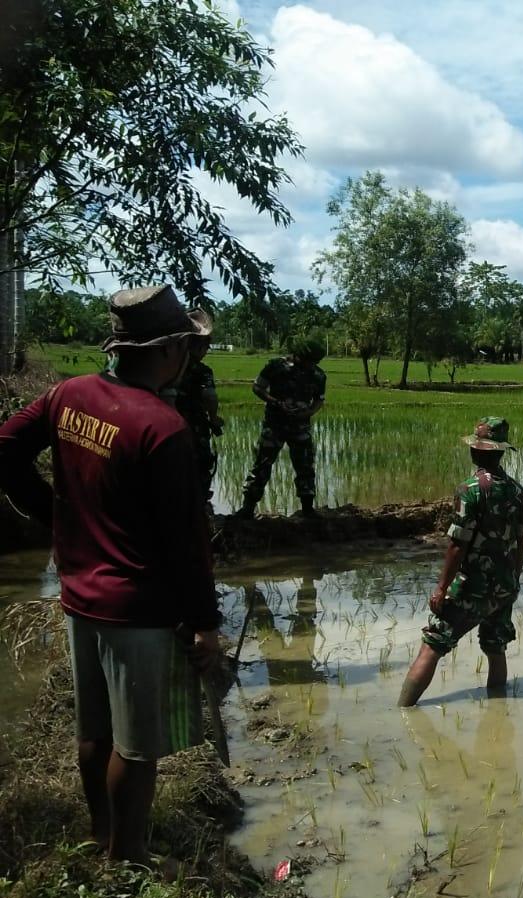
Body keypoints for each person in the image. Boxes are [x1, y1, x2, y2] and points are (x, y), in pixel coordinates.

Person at [0, 284, 222, 867]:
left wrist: (53, 514)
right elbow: (186, 542)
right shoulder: (162, 427)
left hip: (78, 595)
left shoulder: (68, 396)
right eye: (187, 347)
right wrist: (204, 624)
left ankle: (101, 834)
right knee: (138, 747)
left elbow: (5, 449)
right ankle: (128, 859)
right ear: (168, 349)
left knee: (94, 729)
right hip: (138, 610)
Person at [398, 417, 523, 707]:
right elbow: (520, 544)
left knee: (433, 644)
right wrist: (513, 581)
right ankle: (498, 714)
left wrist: (442, 587)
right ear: (500, 451)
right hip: (504, 585)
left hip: (473, 585)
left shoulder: (470, 490)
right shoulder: (519, 493)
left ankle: (402, 712)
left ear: (477, 451)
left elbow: (458, 545)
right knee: (496, 648)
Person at [235, 336, 326, 519]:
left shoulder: (318, 375)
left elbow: (319, 400)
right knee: (262, 465)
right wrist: (275, 402)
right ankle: (247, 508)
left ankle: (307, 509)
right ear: (298, 355)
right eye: (308, 361)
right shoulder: (275, 366)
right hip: (274, 425)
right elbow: (257, 387)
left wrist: (307, 413)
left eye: (314, 362)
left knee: (305, 467)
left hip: (300, 427)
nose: (311, 365)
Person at [168, 324, 222, 508]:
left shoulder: (166, 367)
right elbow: (210, 396)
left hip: (166, 425)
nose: (206, 352)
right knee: (201, 464)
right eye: (206, 348)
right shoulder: (202, 371)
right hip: (194, 424)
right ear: (198, 347)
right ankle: (198, 506)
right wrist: (214, 418)